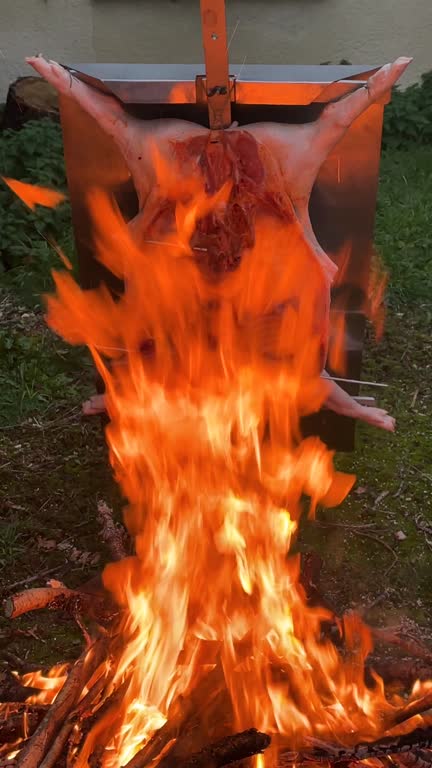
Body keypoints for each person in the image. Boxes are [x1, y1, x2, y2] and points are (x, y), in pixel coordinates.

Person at [27, 56, 411, 432]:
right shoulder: (265, 365)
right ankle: (379, 83)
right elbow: (309, 378)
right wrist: (353, 408)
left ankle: (61, 78)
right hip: (265, 176)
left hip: (181, 177)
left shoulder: (189, 369)